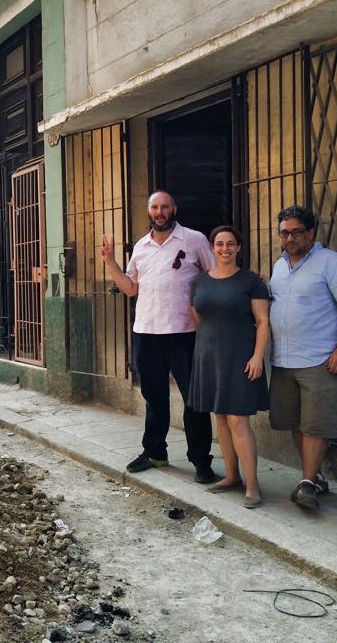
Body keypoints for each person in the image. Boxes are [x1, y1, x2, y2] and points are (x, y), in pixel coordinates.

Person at [100, 190, 217, 483]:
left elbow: (215, 274)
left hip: (184, 333)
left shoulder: (194, 239)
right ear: (148, 212)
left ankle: (201, 460)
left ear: (174, 208)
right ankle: (155, 452)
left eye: (165, 206)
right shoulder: (141, 246)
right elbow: (130, 288)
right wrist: (110, 261)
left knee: (195, 400)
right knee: (154, 397)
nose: (160, 212)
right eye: (155, 207)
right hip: (147, 332)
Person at [269, 205, 337, 512]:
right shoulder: (279, 267)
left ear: (311, 233)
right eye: (284, 232)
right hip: (284, 359)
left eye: (296, 232)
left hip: (319, 358)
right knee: (295, 421)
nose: (289, 238)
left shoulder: (332, 264)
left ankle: (307, 483)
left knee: (316, 424)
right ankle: (315, 477)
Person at [188, 226, 270, 508]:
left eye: (231, 244)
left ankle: (253, 484)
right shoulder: (198, 282)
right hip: (209, 356)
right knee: (220, 416)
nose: (225, 248)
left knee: (238, 419)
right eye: (219, 244)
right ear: (212, 247)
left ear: (239, 248)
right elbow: (198, 316)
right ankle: (232, 476)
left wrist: (258, 356)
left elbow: (263, 322)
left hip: (240, 356)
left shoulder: (251, 282)